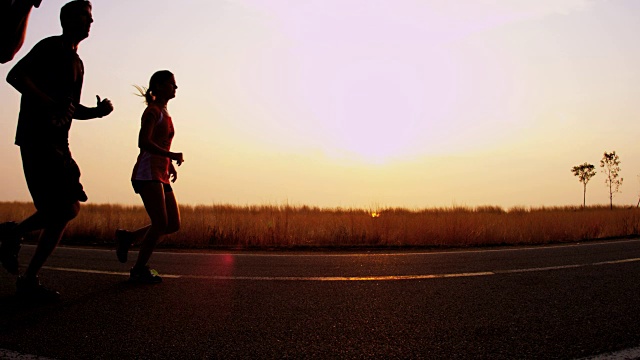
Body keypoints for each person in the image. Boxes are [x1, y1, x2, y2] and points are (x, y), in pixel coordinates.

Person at [0, 0, 114, 302]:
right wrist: (48, 102)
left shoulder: (77, 62)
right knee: (62, 209)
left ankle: (25, 269)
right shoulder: (50, 47)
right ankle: (15, 243)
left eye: (91, 17)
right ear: (66, 20)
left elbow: (71, 109)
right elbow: (14, 76)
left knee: (68, 209)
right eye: (83, 16)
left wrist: (97, 112)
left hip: (59, 143)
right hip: (37, 137)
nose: (89, 22)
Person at [115, 70, 183, 284]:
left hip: (160, 172)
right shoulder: (153, 111)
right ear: (160, 86)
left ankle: (129, 237)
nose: (176, 87)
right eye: (172, 84)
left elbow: (160, 141)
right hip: (147, 173)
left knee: (172, 224)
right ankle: (138, 270)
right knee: (160, 223)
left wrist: (169, 164)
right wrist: (170, 154)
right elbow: (143, 142)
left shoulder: (164, 112)